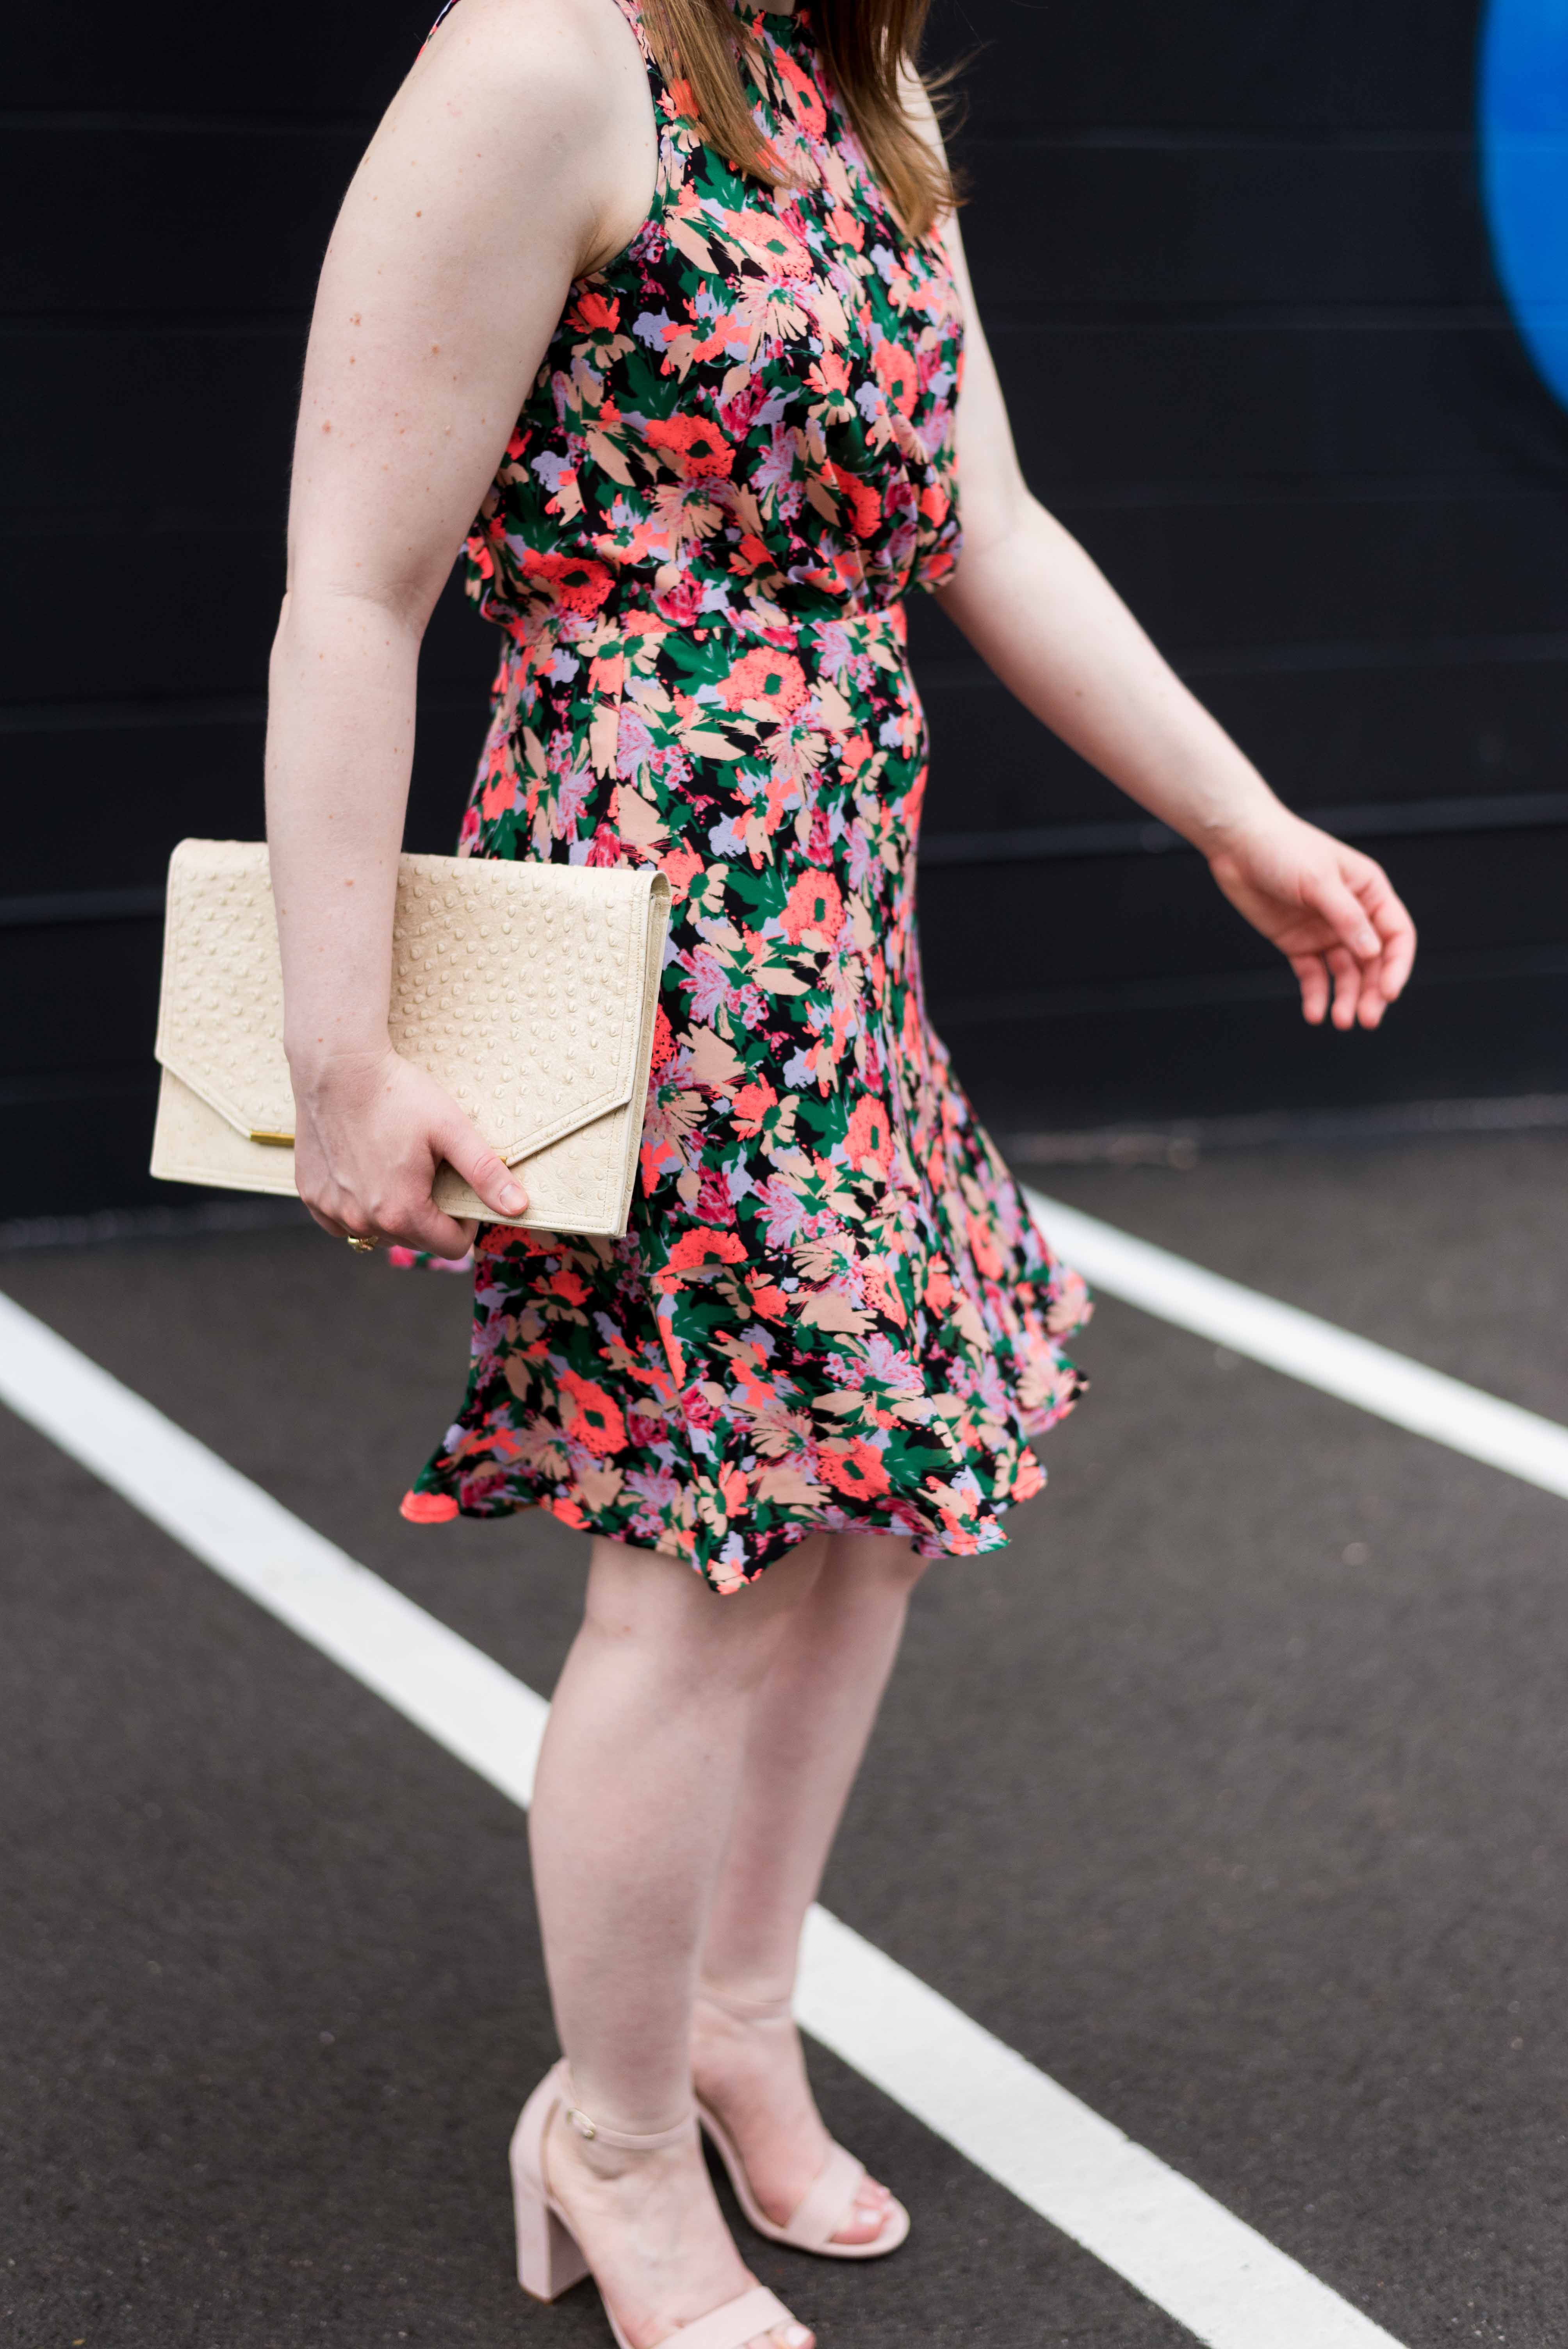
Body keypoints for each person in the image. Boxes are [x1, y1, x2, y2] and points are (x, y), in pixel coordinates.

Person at [264, 0, 1418, 2341]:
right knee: (697, 1567)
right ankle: (604, 2138)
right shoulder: (541, 59)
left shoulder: (853, 94)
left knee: (868, 1516)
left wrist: (1242, 819)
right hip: (644, 931)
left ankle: (731, 2021)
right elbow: (351, 585)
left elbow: (991, 518)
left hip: (834, 935)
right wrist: (341, 1049)